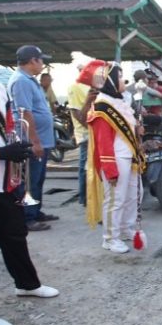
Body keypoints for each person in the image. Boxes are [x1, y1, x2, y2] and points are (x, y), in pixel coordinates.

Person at [0, 22, 59, 325]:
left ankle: (27, 284)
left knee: (14, 234)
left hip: (2, 181)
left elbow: (10, 125)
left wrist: (18, 144)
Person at [80, 60, 145, 254]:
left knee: (134, 195)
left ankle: (126, 227)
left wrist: (137, 130)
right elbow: (103, 141)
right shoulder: (102, 106)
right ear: (109, 80)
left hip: (129, 156)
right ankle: (110, 238)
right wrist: (110, 169)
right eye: (119, 76)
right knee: (116, 199)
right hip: (115, 159)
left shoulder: (118, 102)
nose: (123, 79)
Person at [7, 45, 57, 231]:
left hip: (42, 139)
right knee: (30, 181)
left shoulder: (29, 80)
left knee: (38, 179)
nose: (43, 64)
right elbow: (25, 113)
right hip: (32, 140)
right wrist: (35, 142)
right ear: (32, 61)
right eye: (41, 60)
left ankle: (35, 211)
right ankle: (27, 217)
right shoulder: (21, 81)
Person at [67, 58, 99, 207]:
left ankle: (91, 196)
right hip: (86, 133)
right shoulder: (75, 87)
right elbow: (75, 112)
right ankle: (84, 197)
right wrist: (88, 127)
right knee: (85, 166)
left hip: (95, 130)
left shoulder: (93, 86)